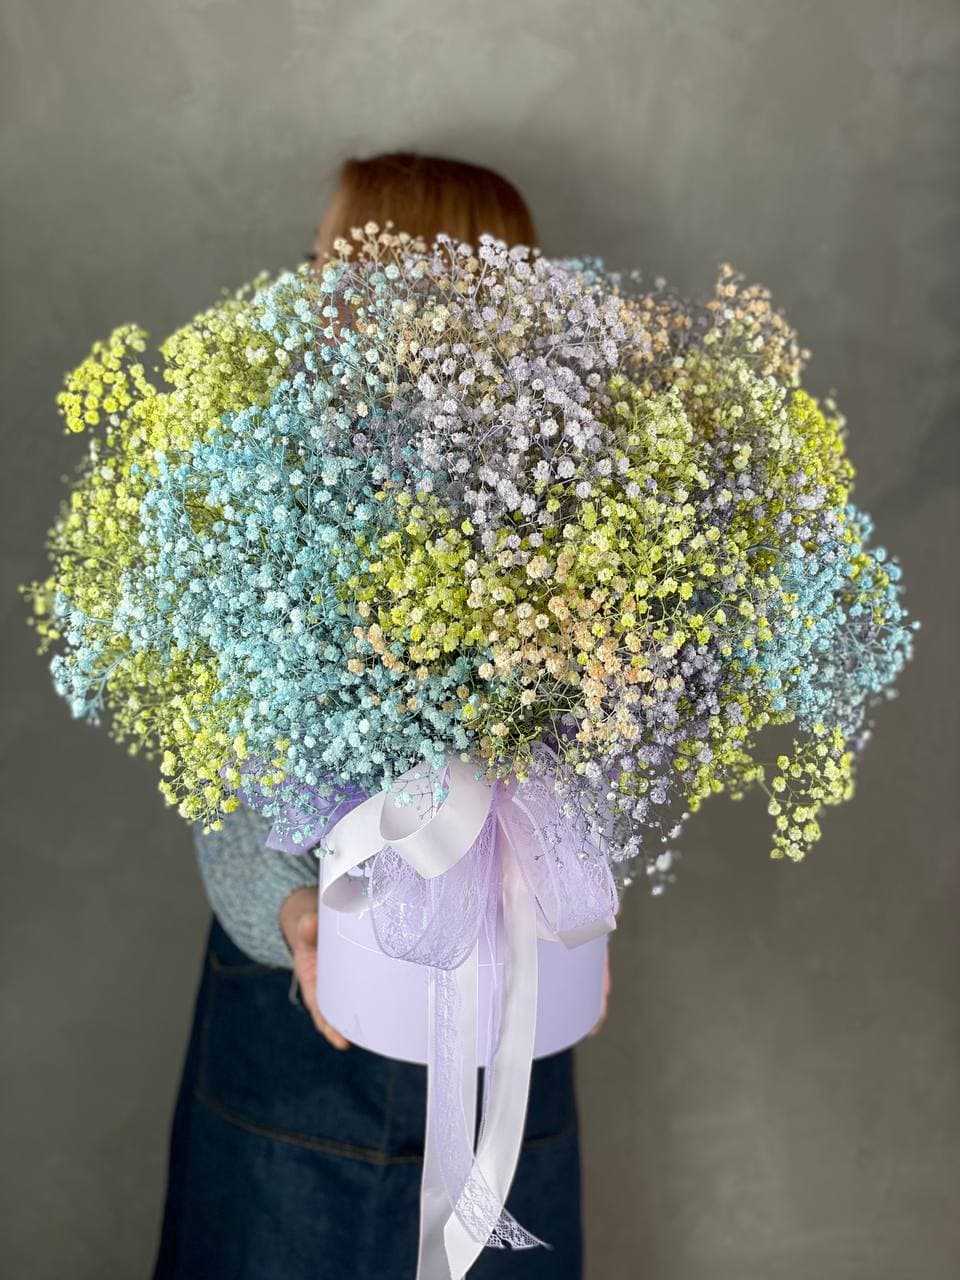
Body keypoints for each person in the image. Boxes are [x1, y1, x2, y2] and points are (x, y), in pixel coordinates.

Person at [151, 151, 609, 1280]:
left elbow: (586, 771)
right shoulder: (271, 475)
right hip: (305, 999)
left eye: (327, 262)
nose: (306, 289)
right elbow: (226, 762)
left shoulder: (576, 507)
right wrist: (294, 913)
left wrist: (577, 921)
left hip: (486, 995)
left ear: (405, 280)